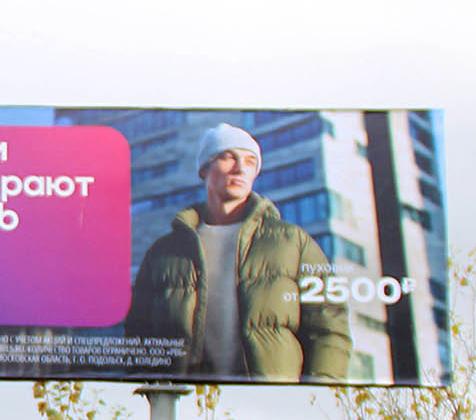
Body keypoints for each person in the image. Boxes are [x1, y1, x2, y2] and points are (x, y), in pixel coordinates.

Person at [125, 122, 351, 383]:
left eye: (250, 161)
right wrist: (152, 391)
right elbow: (138, 336)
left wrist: (319, 388)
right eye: (228, 157)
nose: (240, 168)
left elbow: (329, 326)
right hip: (186, 400)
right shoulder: (163, 253)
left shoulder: (293, 242)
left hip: (270, 399)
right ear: (205, 168)